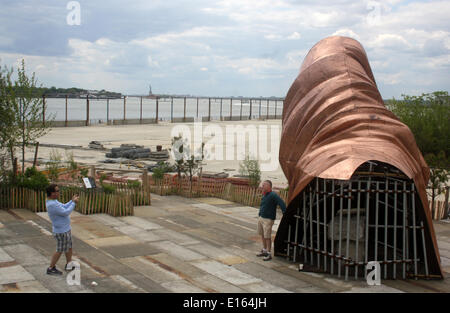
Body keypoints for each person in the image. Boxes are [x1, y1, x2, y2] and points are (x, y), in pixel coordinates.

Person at [45, 184, 79, 275]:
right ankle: (51, 268)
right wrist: (74, 203)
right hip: (61, 231)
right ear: (52, 193)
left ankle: (69, 264)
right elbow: (65, 212)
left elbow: (63, 206)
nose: (59, 192)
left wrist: (71, 201)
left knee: (69, 247)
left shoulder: (54, 201)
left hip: (65, 228)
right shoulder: (51, 204)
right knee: (60, 250)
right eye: (57, 191)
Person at [256, 180, 286, 261]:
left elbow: (281, 203)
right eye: (262, 185)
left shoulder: (273, 195)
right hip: (261, 217)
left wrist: (285, 212)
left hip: (268, 219)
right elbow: (262, 205)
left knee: (267, 237)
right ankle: (264, 250)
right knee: (262, 234)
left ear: (269, 186)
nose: (262, 186)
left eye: (264, 185)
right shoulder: (264, 194)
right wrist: (259, 214)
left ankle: (269, 253)